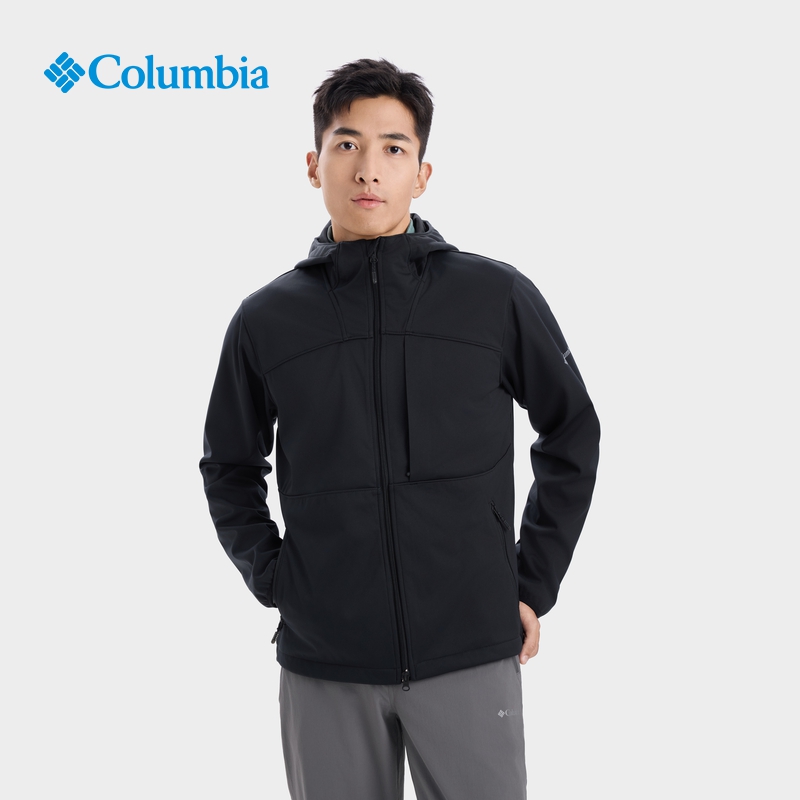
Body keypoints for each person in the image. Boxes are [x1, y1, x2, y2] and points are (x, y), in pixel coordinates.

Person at [199, 58, 601, 800]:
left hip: (469, 646)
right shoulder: (266, 319)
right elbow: (229, 465)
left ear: (422, 173)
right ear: (314, 164)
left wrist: (530, 582)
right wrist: (278, 579)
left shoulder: (494, 296)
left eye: (393, 148)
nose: (369, 169)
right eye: (347, 144)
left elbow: (571, 429)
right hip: (325, 659)